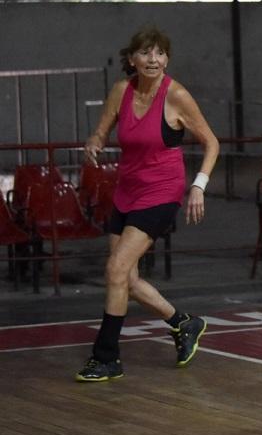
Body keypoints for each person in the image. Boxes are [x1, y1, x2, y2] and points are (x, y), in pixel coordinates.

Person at [76, 26, 220, 382]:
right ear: (132, 59)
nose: (153, 59)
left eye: (160, 53)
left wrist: (199, 186)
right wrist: (94, 141)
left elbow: (211, 142)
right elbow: (102, 130)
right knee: (125, 278)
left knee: (114, 270)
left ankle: (106, 358)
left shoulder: (177, 96)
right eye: (146, 53)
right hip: (127, 190)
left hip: (162, 190)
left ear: (166, 59)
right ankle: (183, 323)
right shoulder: (121, 91)